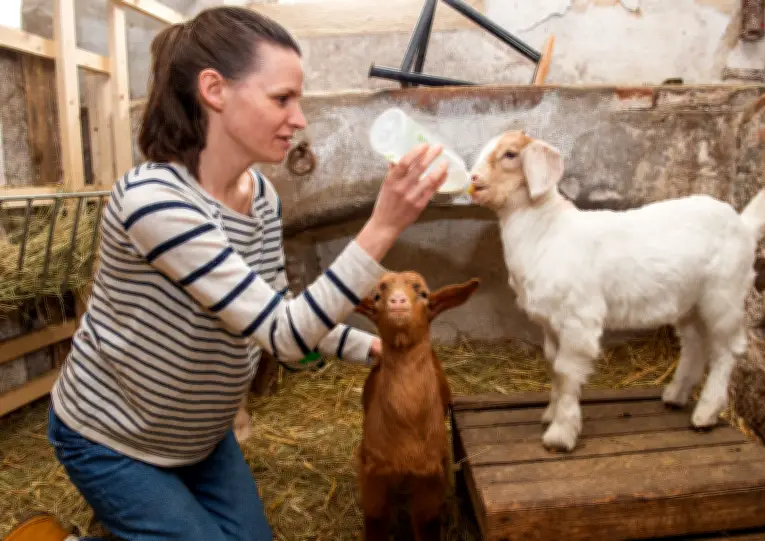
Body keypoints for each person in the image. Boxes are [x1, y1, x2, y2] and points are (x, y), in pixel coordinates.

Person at [3, 6, 448, 541]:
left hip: (200, 438)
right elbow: (284, 339)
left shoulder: (259, 196)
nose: (299, 117)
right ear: (214, 90)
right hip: (115, 436)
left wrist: (367, 347)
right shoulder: (154, 202)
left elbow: (276, 311)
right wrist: (383, 226)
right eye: (282, 98)